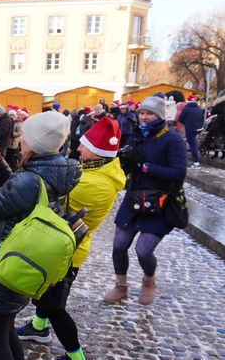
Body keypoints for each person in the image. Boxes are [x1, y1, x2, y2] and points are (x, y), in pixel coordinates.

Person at [0, 111, 80, 360]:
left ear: (34, 143)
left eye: (24, 136)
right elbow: (20, 195)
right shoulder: (56, 171)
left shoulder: (30, 179)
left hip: (7, 260)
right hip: (27, 259)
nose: (20, 139)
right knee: (6, 329)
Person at [16, 117, 126, 360]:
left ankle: (76, 355)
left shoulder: (93, 183)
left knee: (55, 307)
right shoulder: (93, 171)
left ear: (97, 153)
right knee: (46, 296)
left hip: (66, 252)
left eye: (84, 146)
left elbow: (49, 201)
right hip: (67, 244)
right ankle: (38, 327)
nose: (78, 148)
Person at [104, 96, 187, 305]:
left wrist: (144, 166)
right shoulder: (137, 135)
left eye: (149, 113)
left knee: (143, 250)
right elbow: (129, 165)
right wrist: (123, 161)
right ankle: (121, 286)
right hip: (134, 198)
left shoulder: (172, 139)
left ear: (159, 115)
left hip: (160, 201)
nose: (144, 117)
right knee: (119, 245)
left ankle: (149, 281)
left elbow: (178, 173)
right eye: (141, 112)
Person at [179, 95, 204, 168]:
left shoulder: (186, 109)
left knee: (192, 144)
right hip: (199, 128)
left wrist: (186, 123)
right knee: (193, 143)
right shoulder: (199, 109)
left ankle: (196, 162)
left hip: (190, 128)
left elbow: (181, 119)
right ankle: (193, 158)